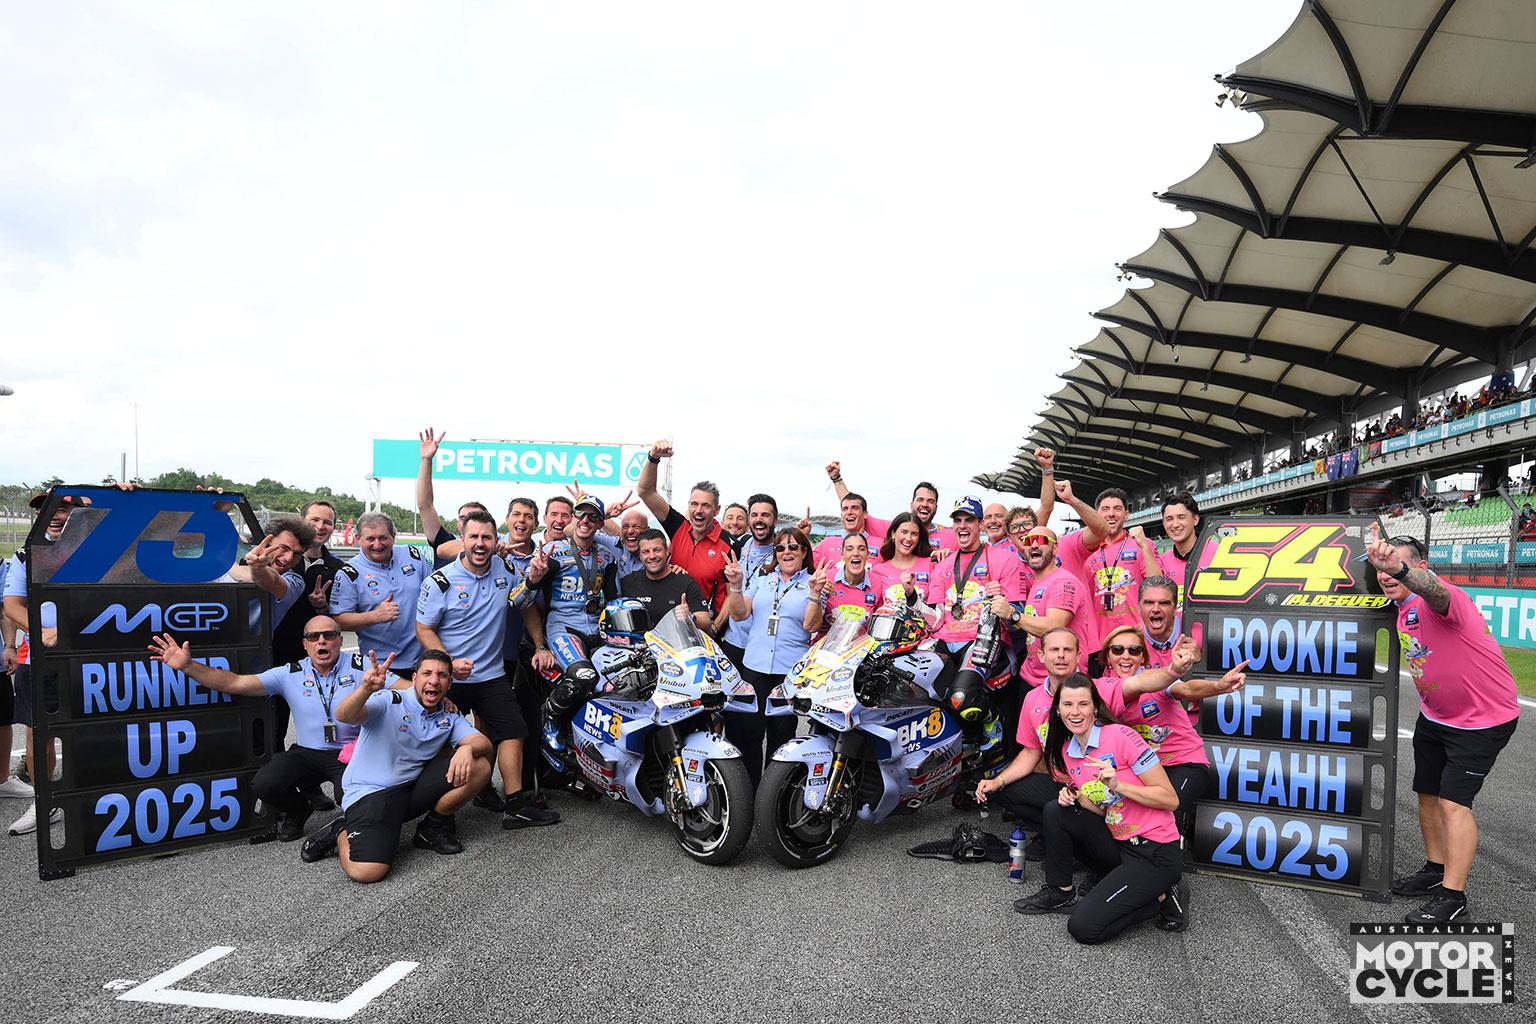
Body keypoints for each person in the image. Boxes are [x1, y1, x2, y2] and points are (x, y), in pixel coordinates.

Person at [1366, 527, 1521, 924]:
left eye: (1396, 567)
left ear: (1420, 567)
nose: (1385, 575)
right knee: (1428, 793)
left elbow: (1435, 592)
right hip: (1435, 717)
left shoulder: (1444, 598)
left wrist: (1400, 571)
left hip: (1482, 720)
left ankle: (1454, 898)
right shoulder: (1401, 604)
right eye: (1381, 568)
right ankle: (1435, 870)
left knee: (1454, 803)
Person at [147, 618, 362, 841]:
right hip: (307, 751)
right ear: (305, 644)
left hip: (350, 753)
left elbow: (391, 691)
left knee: (352, 796)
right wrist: (189, 666)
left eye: (328, 635)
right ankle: (298, 809)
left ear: (339, 640)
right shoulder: (290, 673)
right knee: (265, 783)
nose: (321, 641)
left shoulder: (361, 666)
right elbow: (234, 683)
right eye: (313, 636)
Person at [1013, 674, 1188, 942]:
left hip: (1154, 851)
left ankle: (1161, 896)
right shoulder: (1069, 751)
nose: (1075, 712)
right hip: (1119, 844)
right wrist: (1077, 799)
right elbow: (1106, 810)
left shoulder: (1121, 736)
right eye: (1067, 704)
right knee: (1057, 810)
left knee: (1083, 928)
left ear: (1095, 707)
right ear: (1057, 711)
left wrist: (1119, 785)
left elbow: (1170, 799)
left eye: (1083, 704)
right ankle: (1061, 892)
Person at [301, 650, 494, 882]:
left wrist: (466, 749)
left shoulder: (449, 715)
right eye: (427, 673)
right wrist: (365, 689)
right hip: (371, 793)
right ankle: (341, 830)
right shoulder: (390, 701)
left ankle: (431, 830)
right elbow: (345, 715)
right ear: (414, 678)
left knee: (480, 766)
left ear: (449, 683)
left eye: (442, 675)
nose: (434, 680)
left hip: (410, 787)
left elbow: (483, 743)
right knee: (367, 872)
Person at [416, 509, 557, 829]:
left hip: (491, 676)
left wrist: (540, 643)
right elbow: (423, 629)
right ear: (462, 539)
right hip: (450, 678)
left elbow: (523, 604)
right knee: (439, 743)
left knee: (514, 732)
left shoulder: (506, 569)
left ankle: (516, 806)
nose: (480, 543)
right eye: (474, 537)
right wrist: (448, 663)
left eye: (487, 537)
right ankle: (440, 813)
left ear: (496, 541)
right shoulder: (440, 581)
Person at [1093, 625, 1246, 835]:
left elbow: (1187, 688)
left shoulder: (1157, 679)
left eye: (1134, 650)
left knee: (1166, 811)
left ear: (1143, 658)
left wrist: (1219, 686)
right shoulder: (1100, 689)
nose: (1126, 656)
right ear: (1107, 657)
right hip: (1145, 770)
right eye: (1118, 650)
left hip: (1184, 763)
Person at [721, 527, 826, 784]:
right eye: (780, 547)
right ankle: (750, 790)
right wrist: (735, 586)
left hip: (788, 672)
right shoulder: (763, 580)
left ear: (804, 551)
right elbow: (739, 614)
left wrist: (815, 594)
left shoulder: (814, 582)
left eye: (793, 547)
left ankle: (773, 794)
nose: (786, 552)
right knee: (750, 734)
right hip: (755, 667)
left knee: (782, 737)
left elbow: (812, 625)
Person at [637, 440, 735, 615]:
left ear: (717, 510)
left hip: (707, 625)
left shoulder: (729, 544)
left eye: (706, 506)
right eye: (694, 504)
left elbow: (732, 593)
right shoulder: (678, 527)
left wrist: (715, 626)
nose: (698, 510)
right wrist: (653, 458)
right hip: (673, 620)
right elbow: (646, 491)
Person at [331, 512, 428, 677]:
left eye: (383, 538)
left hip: (423, 660)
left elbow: (434, 596)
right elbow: (338, 620)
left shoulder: (413, 555)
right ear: (358, 539)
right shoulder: (349, 573)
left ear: (393, 537)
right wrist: (376, 616)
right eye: (370, 539)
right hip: (380, 664)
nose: (377, 544)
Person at [1006, 526, 1093, 687]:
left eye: (1041, 540)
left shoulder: (1064, 582)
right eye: (1028, 541)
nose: (1034, 545)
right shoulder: (1039, 581)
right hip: (1031, 676)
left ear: (1055, 548)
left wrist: (1012, 615)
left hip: (1061, 681)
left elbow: (1053, 627)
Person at [719, 493, 779, 666]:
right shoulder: (744, 544)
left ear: (775, 521)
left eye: (765, 515)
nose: (759, 519)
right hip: (733, 640)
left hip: (762, 646)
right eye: (754, 515)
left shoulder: (782, 553)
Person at [620, 529, 710, 630]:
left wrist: (690, 617)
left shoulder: (686, 583)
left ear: (667, 551)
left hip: (673, 640)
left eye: (657, 550)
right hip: (638, 640)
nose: (652, 556)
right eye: (646, 552)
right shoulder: (627, 583)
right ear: (640, 556)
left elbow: (706, 622)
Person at [870, 512, 934, 605]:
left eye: (914, 534)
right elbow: (871, 608)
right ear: (893, 533)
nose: (908, 538)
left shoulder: (930, 565)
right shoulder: (877, 571)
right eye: (904, 532)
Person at [819, 534, 880, 625]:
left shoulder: (876, 582)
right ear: (842, 555)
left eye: (861, 549)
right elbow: (811, 626)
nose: (856, 553)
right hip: (828, 634)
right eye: (849, 549)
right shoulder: (826, 578)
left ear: (868, 555)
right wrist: (816, 595)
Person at [1156, 493, 1202, 603]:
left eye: (1181, 517)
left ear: (1195, 519)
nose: (1175, 524)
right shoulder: (1161, 563)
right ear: (1163, 523)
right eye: (1169, 519)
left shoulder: (1218, 554)